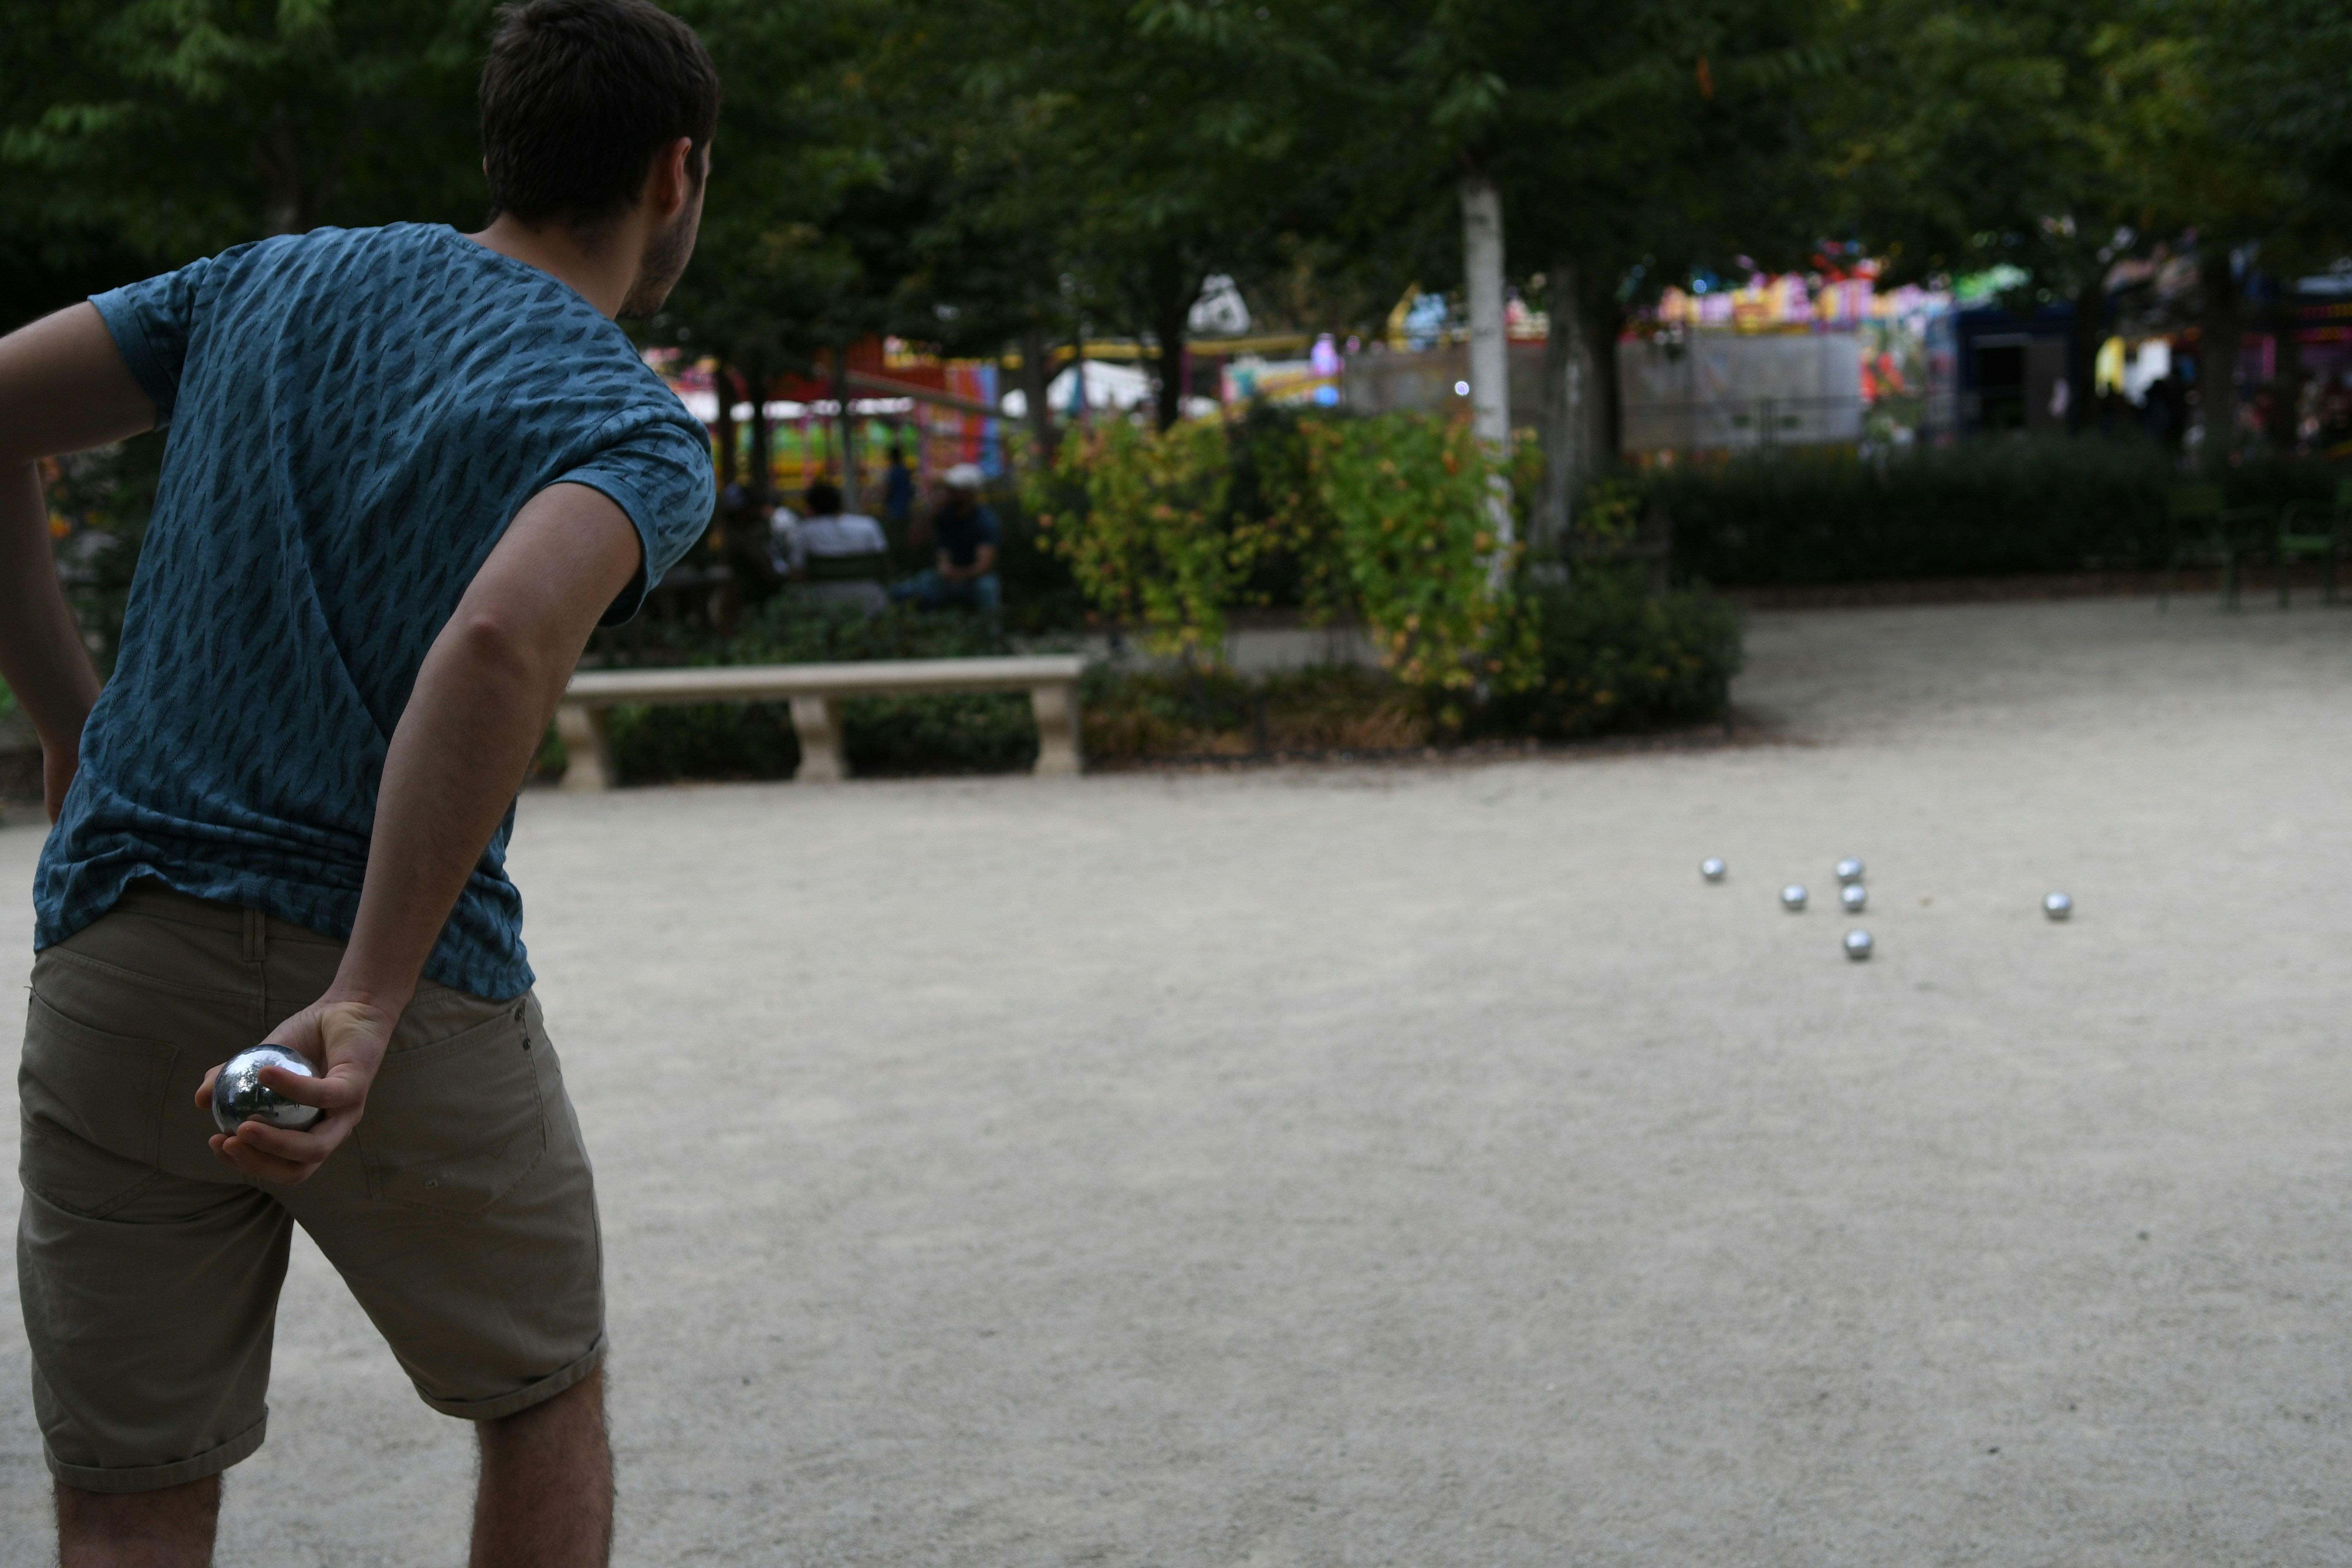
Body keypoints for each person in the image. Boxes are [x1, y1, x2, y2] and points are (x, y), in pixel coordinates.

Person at [0, 2, 720, 1563]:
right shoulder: (627, 425)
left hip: (121, 946)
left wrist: (74, 714)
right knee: (537, 1391)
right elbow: (497, 636)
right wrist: (374, 992)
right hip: (401, 985)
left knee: (131, 1486)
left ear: (502, 150)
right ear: (677, 176)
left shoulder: (269, 278)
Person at [893, 462, 1001, 612]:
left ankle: (991, 632)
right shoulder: (942, 514)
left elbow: (984, 566)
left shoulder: (985, 521)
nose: (950, 495)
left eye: (956, 491)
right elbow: (913, 541)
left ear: (971, 494)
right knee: (905, 590)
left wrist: (956, 574)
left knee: (987, 588)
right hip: (941, 579)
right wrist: (930, 512)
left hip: (972, 580)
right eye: (950, 490)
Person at [778, 478, 890, 610]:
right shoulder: (869, 525)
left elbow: (797, 574)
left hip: (824, 604)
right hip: (870, 602)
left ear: (812, 507)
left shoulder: (807, 531)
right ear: (840, 502)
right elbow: (886, 566)